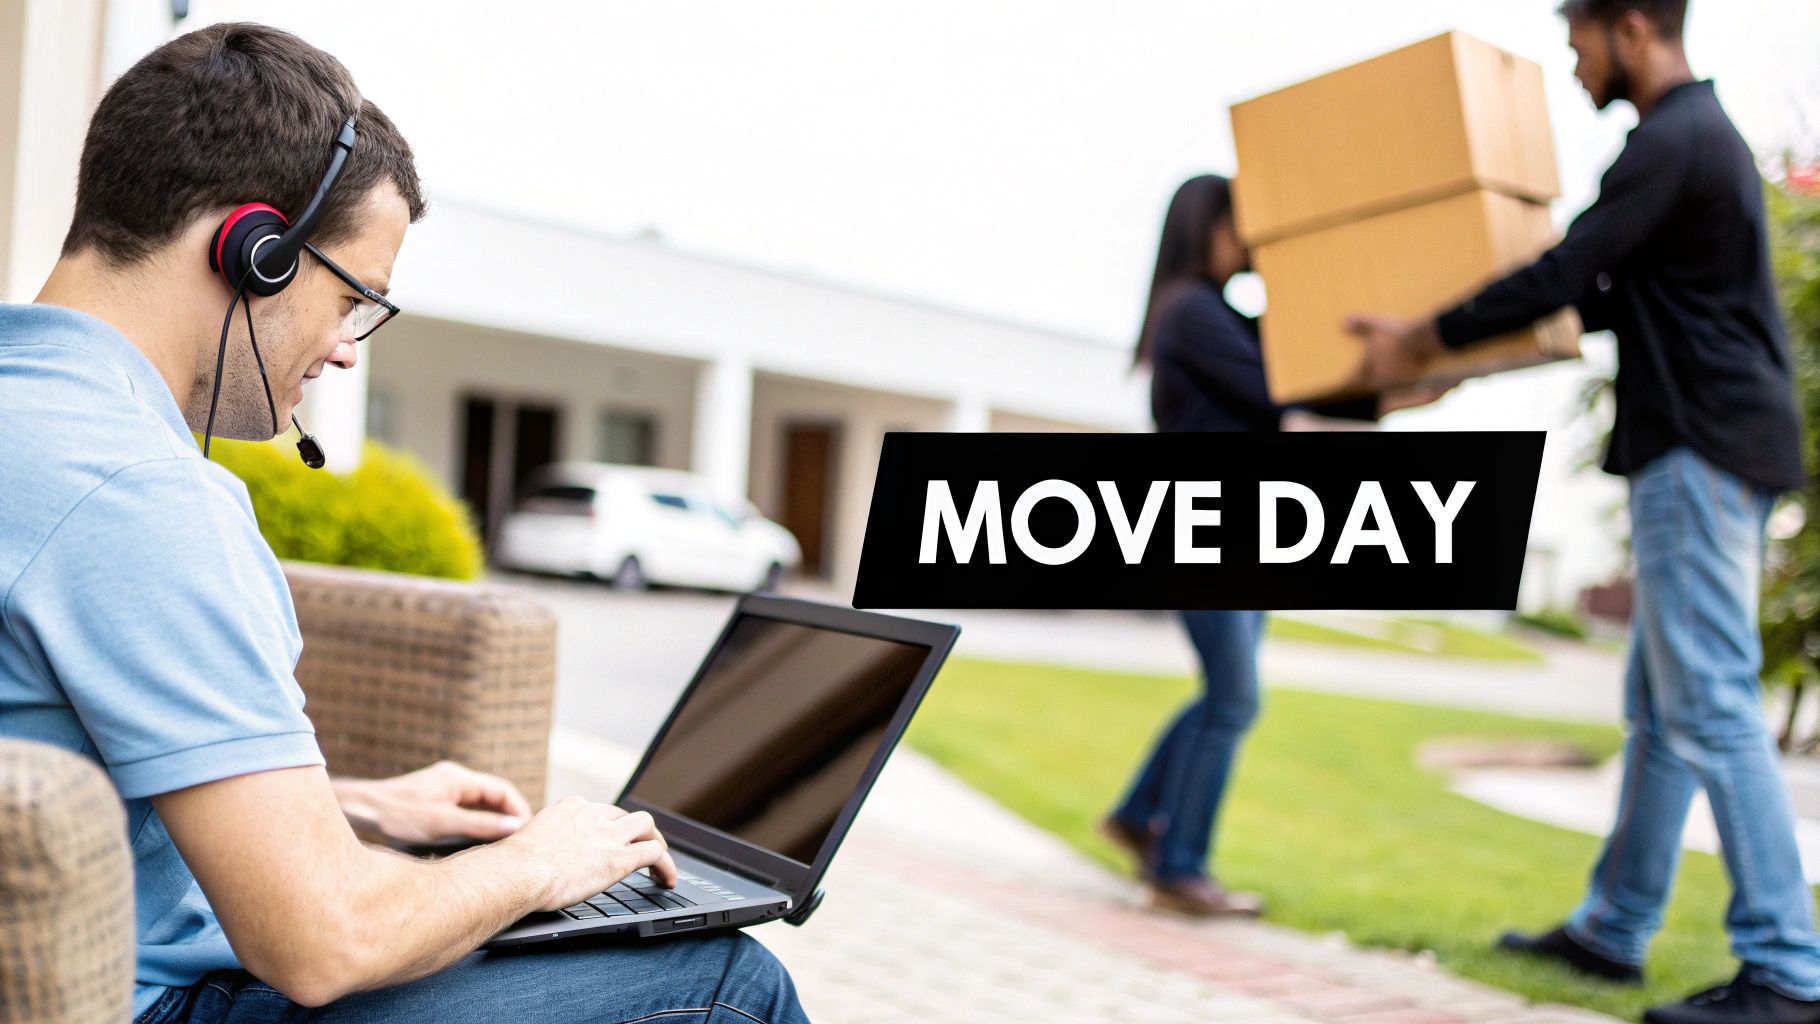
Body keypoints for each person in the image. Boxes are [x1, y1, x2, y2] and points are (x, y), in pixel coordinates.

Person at [0, 23, 806, 1024]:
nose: (344, 349)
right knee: (728, 981)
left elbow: (50, 773)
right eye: (353, 297)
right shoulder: (136, 492)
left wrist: (359, 804)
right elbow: (323, 939)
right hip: (141, 1004)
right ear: (253, 250)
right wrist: (535, 863)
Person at [1347, 2, 1820, 1021]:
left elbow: (1560, 271)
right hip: (1704, 444)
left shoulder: (1672, 141)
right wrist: (1448, 376)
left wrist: (1416, 342)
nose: (1572, 63)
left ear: (1633, 27)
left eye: (1579, 41)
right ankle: (1613, 931)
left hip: (1699, 445)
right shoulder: (1693, 147)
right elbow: (1599, 299)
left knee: (1706, 703)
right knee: (1660, 713)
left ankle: (1785, 966)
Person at [1105, 174, 1422, 916]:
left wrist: (1410, 378)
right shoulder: (1189, 312)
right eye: (1238, 225)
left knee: (1227, 694)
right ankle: (1178, 866)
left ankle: (1136, 813)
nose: (1250, 240)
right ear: (1204, 228)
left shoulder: (1221, 315)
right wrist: (1394, 386)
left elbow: (1310, 387)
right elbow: (1288, 408)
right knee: (1236, 695)